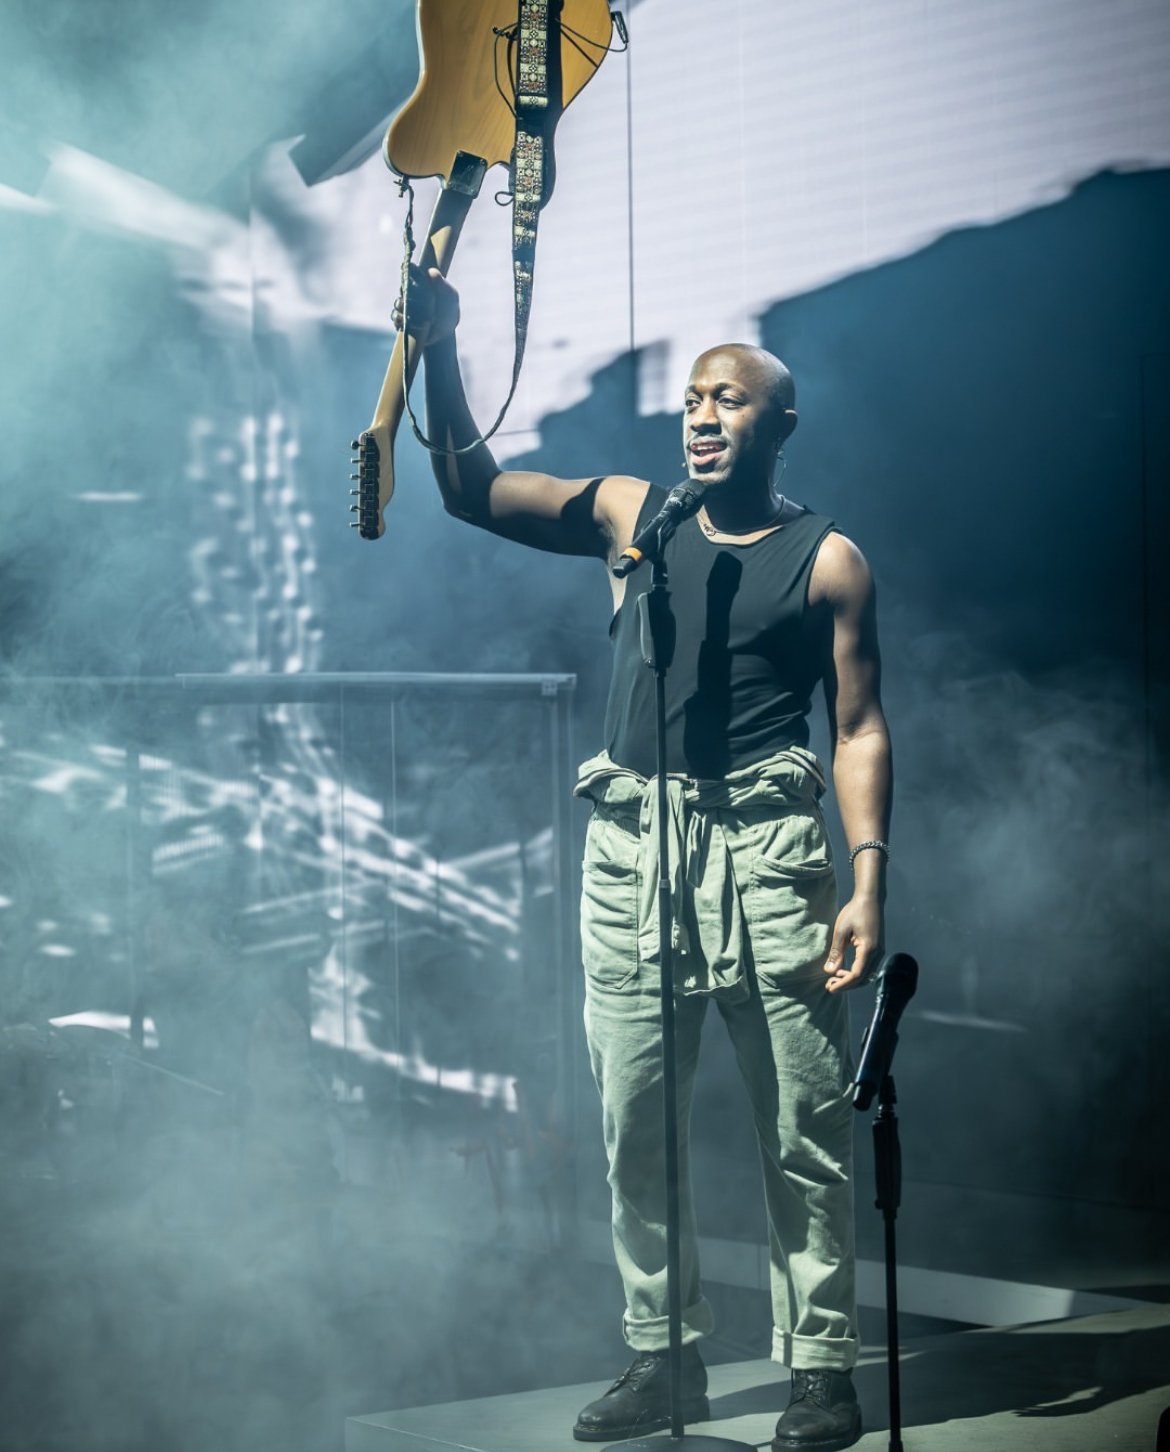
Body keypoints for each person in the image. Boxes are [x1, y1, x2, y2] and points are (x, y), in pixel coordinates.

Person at [393, 266, 893, 1452]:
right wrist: (440, 349)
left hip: (768, 852)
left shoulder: (830, 561)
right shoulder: (636, 516)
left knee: (800, 1126)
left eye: (730, 399)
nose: (704, 414)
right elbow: (472, 491)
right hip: (634, 849)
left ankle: (821, 1367)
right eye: (692, 400)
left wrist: (867, 878)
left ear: (778, 424)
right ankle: (664, 1357)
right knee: (632, 1119)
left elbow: (860, 725)